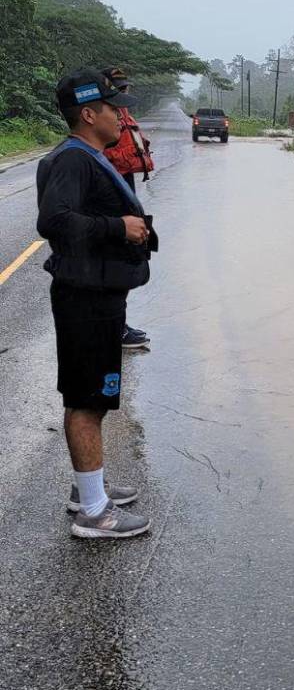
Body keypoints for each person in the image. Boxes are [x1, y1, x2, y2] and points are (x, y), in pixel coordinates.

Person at [37, 68, 157, 538]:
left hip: (98, 294)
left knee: (95, 397)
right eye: (112, 108)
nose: (120, 116)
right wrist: (118, 228)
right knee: (87, 400)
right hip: (84, 297)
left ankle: (88, 487)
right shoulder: (73, 160)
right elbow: (55, 221)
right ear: (89, 114)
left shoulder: (89, 156)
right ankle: (94, 513)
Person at [100, 67, 153, 351]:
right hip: (112, 198)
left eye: (124, 88)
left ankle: (116, 324)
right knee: (115, 261)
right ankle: (114, 329)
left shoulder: (119, 116)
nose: (124, 93)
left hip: (124, 189)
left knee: (126, 259)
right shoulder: (102, 120)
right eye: (118, 89)